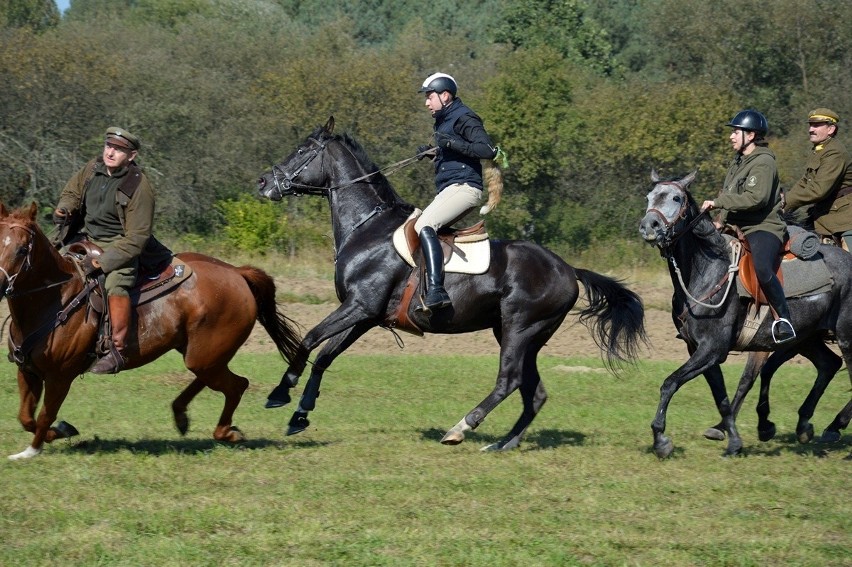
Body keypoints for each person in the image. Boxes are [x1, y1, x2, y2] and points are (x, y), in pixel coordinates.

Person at [54, 126, 172, 374]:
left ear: (131, 156)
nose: (111, 152)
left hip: (121, 246)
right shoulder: (92, 169)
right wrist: (65, 208)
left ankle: (116, 350)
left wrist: (104, 263)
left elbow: (138, 237)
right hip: (86, 239)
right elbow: (71, 193)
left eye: (119, 149)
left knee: (115, 285)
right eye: (109, 146)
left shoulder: (139, 186)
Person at [700, 110, 795, 343]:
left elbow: (756, 199)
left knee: (762, 268)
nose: (731, 136)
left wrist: (717, 203)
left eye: (736, 132)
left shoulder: (764, 162)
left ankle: (784, 320)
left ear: (751, 135)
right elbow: (730, 193)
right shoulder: (738, 161)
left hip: (763, 227)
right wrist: (720, 221)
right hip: (737, 225)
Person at [415, 72, 497, 310]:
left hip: (465, 188)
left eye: (430, 96)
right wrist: (434, 152)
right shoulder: (444, 119)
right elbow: (455, 152)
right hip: (451, 187)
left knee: (424, 225)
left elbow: (487, 149)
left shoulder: (464, 117)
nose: (426, 102)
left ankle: (437, 291)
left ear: (445, 95)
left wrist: (450, 144)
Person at [782, 108, 852, 250]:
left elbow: (818, 190)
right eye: (810, 125)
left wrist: (786, 201)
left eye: (816, 125)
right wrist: (782, 205)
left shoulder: (834, 152)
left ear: (831, 129)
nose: (810, 129)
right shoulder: (820, 150)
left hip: (844, 219)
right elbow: (804, 183)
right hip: (824, 216)